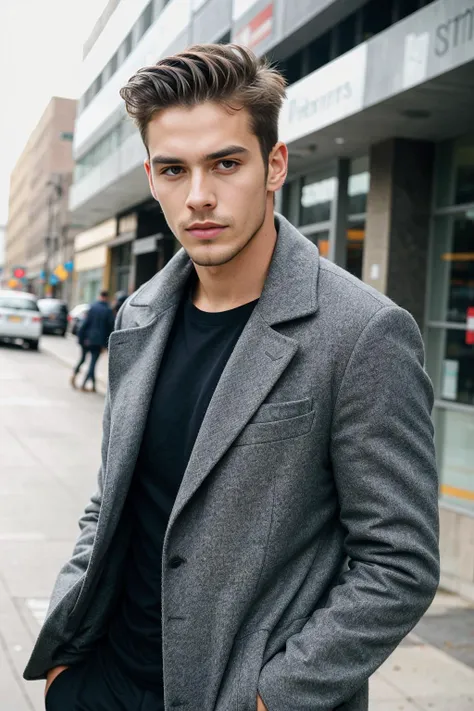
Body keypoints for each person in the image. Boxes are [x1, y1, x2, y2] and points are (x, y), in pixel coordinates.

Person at [25, 44, 439, 711]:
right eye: (173, 169)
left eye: (225, 162)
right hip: (103, 682)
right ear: (151, 176)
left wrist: (272, 696)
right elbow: (111, 499)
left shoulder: (362, 333)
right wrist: (68, 661)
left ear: (274, 164)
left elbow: (400, 563)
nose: (198, 197)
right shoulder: (139, 315)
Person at [71, 290, 114, 393]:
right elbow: (110, 329)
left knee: (83, 359)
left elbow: (85, 324)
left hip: (87, 340)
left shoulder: (93, 307)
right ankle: (84, 384)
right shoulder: (108, 311)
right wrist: (106, 345)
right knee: (93, 364)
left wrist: (80, 339)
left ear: (100, 296)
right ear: (107, 297)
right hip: (98, 342)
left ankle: (75, 374)